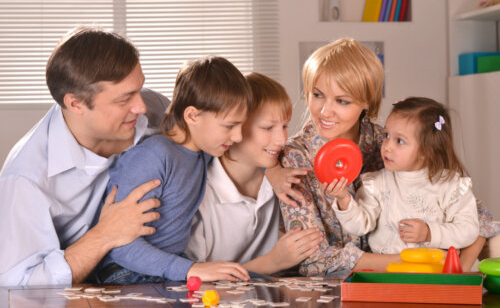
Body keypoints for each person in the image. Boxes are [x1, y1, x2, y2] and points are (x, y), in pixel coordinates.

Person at [274, 38, 499, 275]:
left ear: (366, 102)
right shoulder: (295, 157)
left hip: (415, 276)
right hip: (339, 286)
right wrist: (412, 262)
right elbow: (314, 258)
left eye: (342, 101)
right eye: (317, 94)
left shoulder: (387, 141)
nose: (324, 110)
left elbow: (478, 218)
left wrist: (458, 268)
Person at [0, 26, 171, 286]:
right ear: (76, 104)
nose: (141, 106)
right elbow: (21, 286)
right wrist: (105, 234)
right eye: (124, 99)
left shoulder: (154, 111)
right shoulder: (25, 179)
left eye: (139, 89)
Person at [94, 56, 252, 285]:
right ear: (192, 116)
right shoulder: (153, 156)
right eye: (229, 126)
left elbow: (249, 156)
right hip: (124, 270)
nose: (238, 136)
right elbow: (120, 246)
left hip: (168, 264)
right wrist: (191, 269)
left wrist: (275, 173)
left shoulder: (202, 151)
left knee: (248, 283)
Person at [185, 72, 323, 276]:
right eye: (268, 127)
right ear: (235, 126)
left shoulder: (281, 178)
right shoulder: (198, 193)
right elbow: (196, 278)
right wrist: (273, 262)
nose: (281, 139)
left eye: (285, 126)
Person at [329, 97, 479, 254]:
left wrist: (429, 232)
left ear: (427, 151)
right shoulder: (376, 183)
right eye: (386, 135)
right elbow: (360, 226)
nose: (387, 147)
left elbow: (468, 230)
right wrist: (343, 199)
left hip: (432, 273)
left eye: (399, 141)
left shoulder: (450, 185)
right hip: (386, 272)